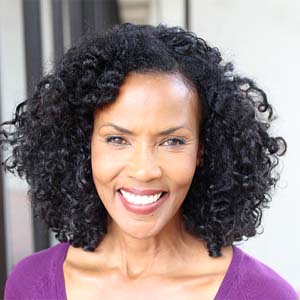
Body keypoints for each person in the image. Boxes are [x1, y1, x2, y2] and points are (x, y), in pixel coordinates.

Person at [1, 23, 297, 300]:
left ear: (203, 151)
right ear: (83, 144)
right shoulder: (30, 285)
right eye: (117, 139)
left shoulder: (263, 293)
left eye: (172, 141)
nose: (143, 170)